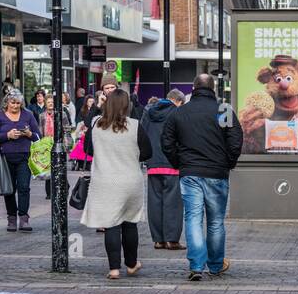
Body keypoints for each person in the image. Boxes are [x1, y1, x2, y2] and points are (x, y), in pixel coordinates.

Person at [159, 72, 243, 282]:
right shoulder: (223, 110)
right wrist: (228, 163)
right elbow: (235, 141)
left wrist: (179, 163)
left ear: (194, 89)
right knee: (215, 221)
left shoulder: (181, 111)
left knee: (193, 219)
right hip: (217, 173)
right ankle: (215, 265)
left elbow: (167, 142)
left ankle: (196, 265)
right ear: (213, 89)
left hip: (190, 173)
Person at [82, 90, 151, 279]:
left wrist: (97, 106)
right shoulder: (135, 126)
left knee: (111, 225)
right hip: (130, 181)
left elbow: (87, 146)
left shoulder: (97, 124)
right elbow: (147, 152)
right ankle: (131, 264)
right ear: (126, 105)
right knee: (129, 223)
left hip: (105, 181)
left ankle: (113, 269)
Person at [0, 92, 41, 232]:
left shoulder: (28, 115)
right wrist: (7, 135)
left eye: (18, 103)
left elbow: (38, 136)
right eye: (13, 103)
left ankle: (24, 218)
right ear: (7, 102)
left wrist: (30, 134)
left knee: (24, 187)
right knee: (9, 189)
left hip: (24, 157)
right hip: (5, 158)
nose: (15, 106)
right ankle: (11, 218)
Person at [140, 89, 184, 251]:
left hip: (153, 163)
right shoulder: (177, 112)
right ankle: (172, 239)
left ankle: (158, 239)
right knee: (173, 202)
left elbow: (142, 134)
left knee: (155, 201)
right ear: (177, 101)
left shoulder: (148, 112)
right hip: (171, 163)